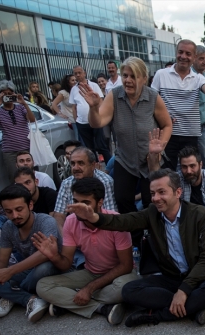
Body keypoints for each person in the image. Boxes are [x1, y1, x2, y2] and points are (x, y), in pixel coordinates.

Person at [66, 169, 205, 328]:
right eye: (152, 193)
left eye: (161, 192)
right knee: (129, 291)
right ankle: (193, 307)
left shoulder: (199, 214)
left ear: (178, 192)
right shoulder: (152, 213)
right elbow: (124, 221)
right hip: (171, 278)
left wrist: (183, 290)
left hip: (197, 278)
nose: (155, 198)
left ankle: (155, 315)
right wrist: (94, 217)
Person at [34, 178, 135, 325]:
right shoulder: (71, 221)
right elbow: (66, 264)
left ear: (100, 202)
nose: (79, 208)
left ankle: (68, 302)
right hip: (91, 273)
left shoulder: (115, 220)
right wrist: (54, 256)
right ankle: (102, 308)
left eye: (85, 203)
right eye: (76, 202)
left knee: (124, 289)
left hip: (118, 274)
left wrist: (89, 289)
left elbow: (126, 266)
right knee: (42, 286)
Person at [79, 57, 172, 215]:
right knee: (122, 200)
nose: (128, 80)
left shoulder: (153, 97)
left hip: (150, 160)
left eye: (133, 76)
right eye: (125, 75)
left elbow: (167, 125)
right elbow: (97, 122)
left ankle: (151, 235)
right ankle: (133, 237)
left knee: (152, 201)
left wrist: (160, 147)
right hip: (124, 159)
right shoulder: (114, 95)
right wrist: (94, 108)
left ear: (143, 78)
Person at [0, 185, 61, 322]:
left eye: (19, 210)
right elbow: (3, 259)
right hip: (27, 271)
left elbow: (46, 254)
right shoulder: (8, 226)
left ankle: (10, 294)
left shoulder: (45, 221)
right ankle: (29, 299)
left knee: (44, 268)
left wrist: (9, 272)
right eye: (9, 212)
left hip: (52, 268)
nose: (15, 216)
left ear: (30, 205)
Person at [151, 40, 205, 166]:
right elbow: (151, 101)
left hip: (191, 135)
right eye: (180, 52)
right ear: (176, 53)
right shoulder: (161, 74)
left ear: (194, 57)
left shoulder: (198, 78)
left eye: (188, 54)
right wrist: (161, 116)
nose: (183, 56)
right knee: (169, 171)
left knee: (189, 172)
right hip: (168, 134)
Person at [148, 144, 205, 219]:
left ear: (200, 164)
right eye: (184, 167)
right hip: (184, 222)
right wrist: (154, 155)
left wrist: (203, 222)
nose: (189, 171)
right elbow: (157, 180)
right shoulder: (177, 178)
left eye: (192, 166)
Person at [53, 147, 117, 228]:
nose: (75, 168)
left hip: (101, 229)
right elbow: (59, 216)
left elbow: (109, 215)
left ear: (93, 165)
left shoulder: (105, 182)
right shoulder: (66, 183)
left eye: (81, 163)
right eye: (73, 163)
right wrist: (64, 239)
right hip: (75, 232)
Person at [0, 80, 36, 180]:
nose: (8, 96)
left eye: (10, 94)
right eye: (4, 94)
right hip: (10, 151)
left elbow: (32, 119)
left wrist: (24, 103)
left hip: (27, 147)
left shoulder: (20, 108)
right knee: (15, 178)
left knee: (31, 176)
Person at [70, 65, 110, 164]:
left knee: (101, 146)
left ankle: (110, 166)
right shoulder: (74, 89)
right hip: (82, 123)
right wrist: (76, 121)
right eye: (76, 73)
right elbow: (74, 107)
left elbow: (100, 101)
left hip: (95, 121)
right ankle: (95, 168)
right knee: (89, 148)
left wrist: (99, 115)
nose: (78, 75)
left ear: (85, 73)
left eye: (80, 72)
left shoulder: (94, 85)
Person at [51, 74, 78, 139]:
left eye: (75, 80)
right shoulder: (64, 93)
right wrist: (60, 114)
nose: (75, 82)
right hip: (70, 119)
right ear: (68, 82)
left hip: (78, 118)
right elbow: (54, 104)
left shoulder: (76, 91)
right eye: (72, 80)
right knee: (77, 137)